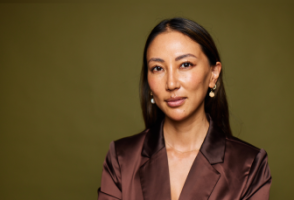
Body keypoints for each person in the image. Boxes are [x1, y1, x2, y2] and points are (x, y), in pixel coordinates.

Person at [98, 18, 271, 200]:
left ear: (213, 74)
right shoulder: (122, 158)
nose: (171, 83)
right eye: (157, 68)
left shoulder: (249, 165)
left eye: (185, 65)